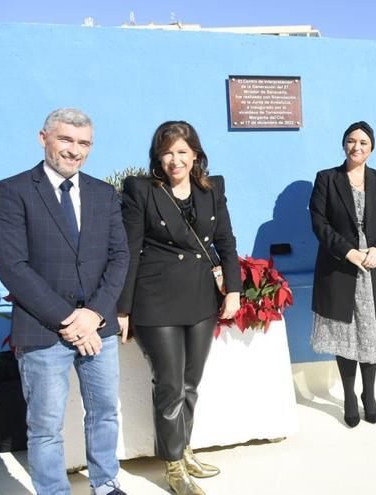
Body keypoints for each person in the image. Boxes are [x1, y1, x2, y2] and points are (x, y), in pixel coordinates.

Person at [0, 108, 129, 495]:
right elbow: (13, 266)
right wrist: (70, 319)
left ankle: (105, 483)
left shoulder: (103, 193)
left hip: (99, 327)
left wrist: (94, 313)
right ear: (43, 138)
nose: (74, 150)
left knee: (104, 413)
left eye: (83, 143)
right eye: (66, 139)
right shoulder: (12, 191)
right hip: (44, 328)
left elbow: (120, 257)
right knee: (46, 425)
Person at [116, 121, 242, 495]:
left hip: (202, 299)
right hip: (155, 301)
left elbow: (226, 242)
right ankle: (171, 465)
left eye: (182, 152)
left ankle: (184, 449)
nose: (175, 160)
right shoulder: (142, 190)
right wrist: (123, 309)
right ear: (158, 156)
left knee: (190, 383)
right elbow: (129, 250)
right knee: (170, 384)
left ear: (195, 155)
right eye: (167, 152)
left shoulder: (211, 188)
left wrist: (233, 290)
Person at [309, 121, 376, 427]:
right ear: (343, 144)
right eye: (351, 141)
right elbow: (319, 223)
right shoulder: (327, 179)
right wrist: (347, 251)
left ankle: (369, 394)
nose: (357, 147)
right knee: (346, 336)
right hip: (341, 267)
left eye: (363, 142)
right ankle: (349, 394)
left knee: (370, 334)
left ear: (371, 148)